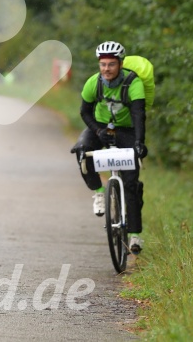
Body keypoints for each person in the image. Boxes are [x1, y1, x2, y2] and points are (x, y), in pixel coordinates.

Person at [72, 41, 147, 254]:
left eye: (111, 64)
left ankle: (135, 236)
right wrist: (97, 131)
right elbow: (84, 112)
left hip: (127, 130)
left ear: (120, 64)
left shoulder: (134, 83)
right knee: (82, 151)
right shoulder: (93, 83)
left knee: (131, 183)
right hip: (100, 127)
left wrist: (139, 142)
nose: (106, 69)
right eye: (103, 64)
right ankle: (98, 192)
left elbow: (139, 115)